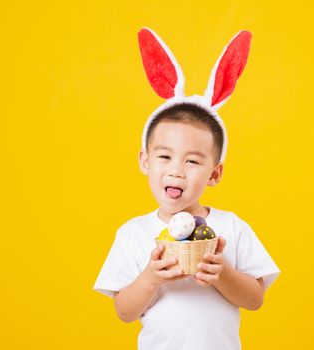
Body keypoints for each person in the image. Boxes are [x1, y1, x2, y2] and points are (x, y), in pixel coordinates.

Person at [93, 28, 281, 350]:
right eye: (165, 156)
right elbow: (124, 311)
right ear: (145, 161)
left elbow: (255, 300)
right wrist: (151, 277)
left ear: (214, 173)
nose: (176, 171)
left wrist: (223, 274)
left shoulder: (231, 228)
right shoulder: (134, 233)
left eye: (193, 161)